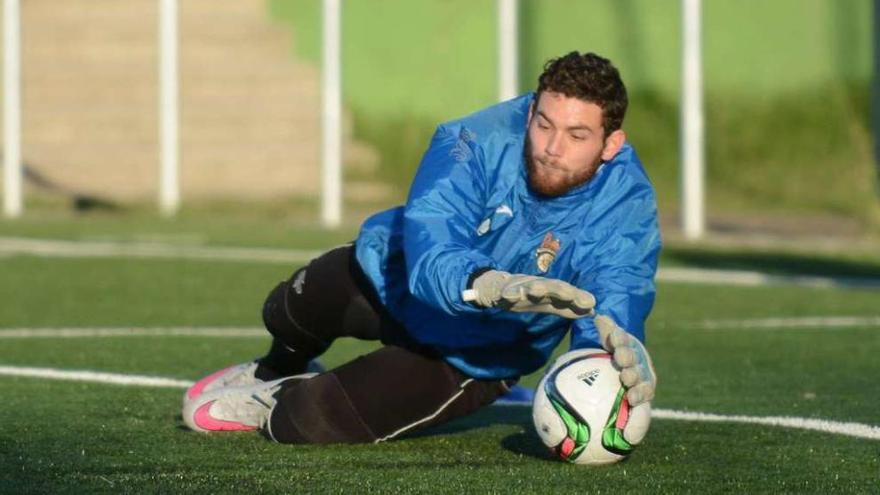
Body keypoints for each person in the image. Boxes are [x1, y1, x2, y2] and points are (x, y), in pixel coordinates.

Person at [182, 51, 660, 447]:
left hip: (477, 354)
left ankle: (283, 395)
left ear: (611, 143)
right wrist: (484, 285)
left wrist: (605, 357)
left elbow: (615, 298)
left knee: (301, 424)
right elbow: (433, 230)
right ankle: (276, 366)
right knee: (288, 307)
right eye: (544, 124)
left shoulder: (627, 204)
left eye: (577, 136)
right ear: (532, 108)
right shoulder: (472, 139)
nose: (551, 147)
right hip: (399, 277)